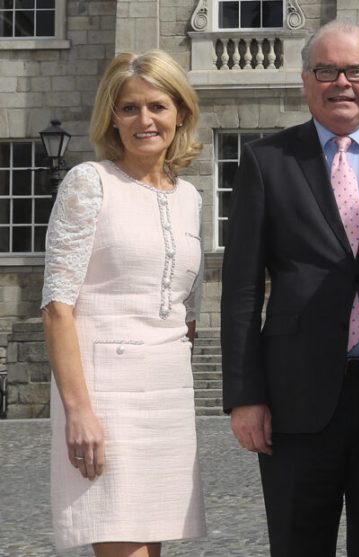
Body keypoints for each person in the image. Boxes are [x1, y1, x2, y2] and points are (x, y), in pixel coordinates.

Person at [219, 19, 359, 556]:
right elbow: (242, 288)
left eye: (355, 71)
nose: (341, 82)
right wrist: (245, 397)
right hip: (296, 398)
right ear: (305, 80)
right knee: (298, 544)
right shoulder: (267, 161)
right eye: (326, 70)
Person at [41, 49, 206, 555]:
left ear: (179, 111)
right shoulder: (89, 183)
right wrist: (79, 411)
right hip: (105, 398)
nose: (144, 120)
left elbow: (186, 309)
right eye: (129, 108)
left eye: (157, 106)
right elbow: (56, 307)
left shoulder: (191, 197)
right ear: (112, 117)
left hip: (168, 396)